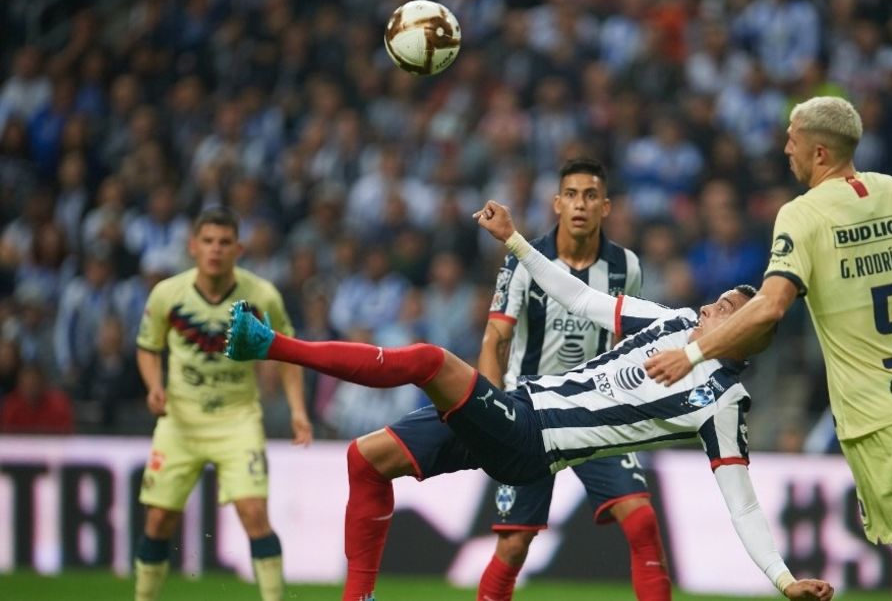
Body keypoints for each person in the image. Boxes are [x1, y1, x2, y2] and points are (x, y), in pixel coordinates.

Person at [223, 201, 834, 601]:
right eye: (715, 300)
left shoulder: (722, 402)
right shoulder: (671, 321)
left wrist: (783, 581)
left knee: (431, 362)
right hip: (521, 406)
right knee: (365, 459)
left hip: (533, 440)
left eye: (724, 309)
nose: (708, 308)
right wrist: (515, 239)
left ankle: (269, 344)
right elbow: (584, 298)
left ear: (745, 333)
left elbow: (745, 506)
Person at [644, 97, 892, 601]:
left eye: (793, 138)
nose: (785, 147)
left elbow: (769, 306)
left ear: (821, 152)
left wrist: (691, 355)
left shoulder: (801, 215)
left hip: (877, 410)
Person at [477, 158, 669, 600]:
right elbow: (495, 338)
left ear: (605, 206)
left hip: (594, 409)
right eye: (571, 195)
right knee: (514, 543)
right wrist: (489, 415)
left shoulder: (626, 267)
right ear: (556, 204)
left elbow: (631, 341)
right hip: (528, 413)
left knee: (641, 520)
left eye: (589, 196)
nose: (579, 204)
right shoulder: (524, 259)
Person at [133, 207, 312, 601]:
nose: (215, 250)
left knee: (253, 513)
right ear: (193, 247)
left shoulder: (261, 296)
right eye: (208, 242)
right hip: (180, 421)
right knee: (159, 518)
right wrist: (153, 386)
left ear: (239, 248)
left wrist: (298, 411)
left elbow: (289, 354)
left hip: (238, 419)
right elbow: (148, 347)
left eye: (224, 242)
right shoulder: (167, 294)